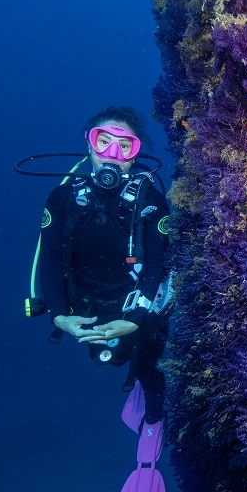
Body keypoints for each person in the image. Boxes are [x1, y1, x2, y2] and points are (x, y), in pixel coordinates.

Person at [38, 106, 171, 430]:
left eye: (125, 146)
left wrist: (137, 319)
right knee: (107, 358)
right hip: (87, 305)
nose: (112, 154)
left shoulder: (150, 201)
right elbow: (50, 261)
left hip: (139, 303)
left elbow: (157, 264)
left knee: (148, 367)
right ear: (89, 144)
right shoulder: (61, 199)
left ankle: (154, 419)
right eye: (103, 142)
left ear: (136, 152)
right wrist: (59, 314)